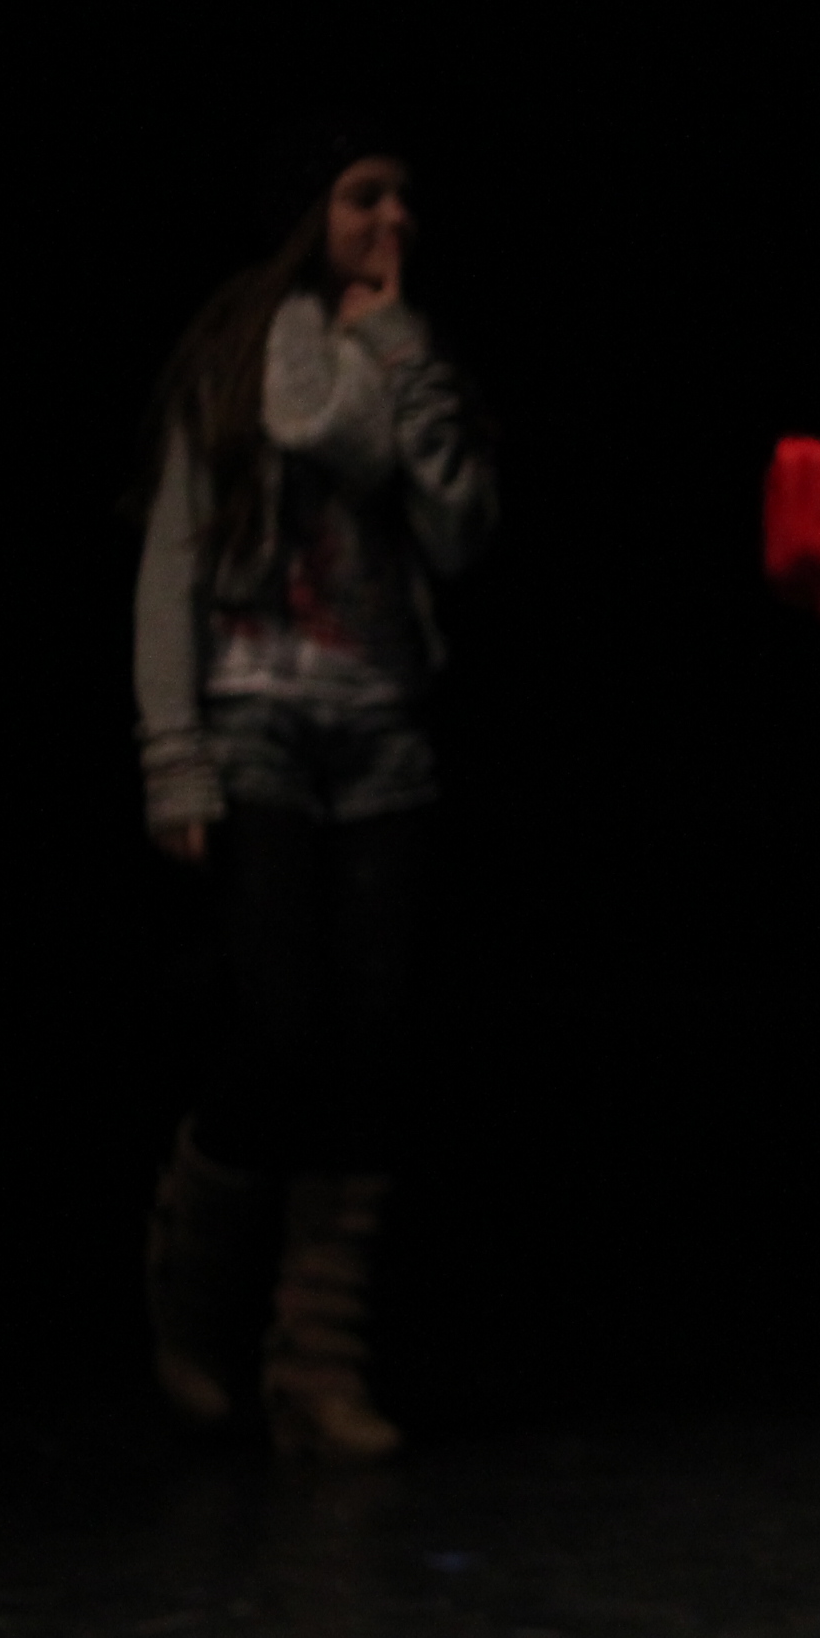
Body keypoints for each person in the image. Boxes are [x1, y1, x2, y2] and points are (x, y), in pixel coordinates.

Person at [135, 135, 497, 1461]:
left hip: (380, 725)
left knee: (370, 1039)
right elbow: (173, 560)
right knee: (276, 1027)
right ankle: (193, 1292)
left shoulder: (411, 356)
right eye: (363, 196)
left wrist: (407, 363)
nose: (392, 218)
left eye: (404, 197)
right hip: (258, 721)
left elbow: (462, 532)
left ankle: (316, 1363)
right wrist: (173, 751)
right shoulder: (238, 356)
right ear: (310, 211)